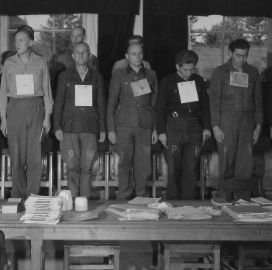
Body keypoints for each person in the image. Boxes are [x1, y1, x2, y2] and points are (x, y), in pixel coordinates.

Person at [0, 25, 53, 199]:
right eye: (15, 40)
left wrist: (48, 117)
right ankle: (17, 194)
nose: (17, 43)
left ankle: (32, 195)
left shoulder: (40, 61)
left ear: (31, 42)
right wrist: (3, 119)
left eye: (21, 40)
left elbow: (47, 90)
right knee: (16, 155)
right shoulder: (9, 63)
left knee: (35, 156)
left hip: (36, 108)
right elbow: (2, 93)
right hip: (15, 108)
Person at [209, 38, 263, 199]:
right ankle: (225, 198)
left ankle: (242, 200)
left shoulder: (253, 72)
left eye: (245, 56)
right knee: (226, 160)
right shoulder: (220, 72)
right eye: (238, 55)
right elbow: (214, 100)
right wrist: (215, 126)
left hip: (247, 122)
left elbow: (258, 100)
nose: (242, 59)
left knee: (245, 162)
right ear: (230, 53)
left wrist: (258, 125)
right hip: (226, 121)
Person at [155, 50, 211, 199]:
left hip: (194, 128)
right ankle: (173, 202)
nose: (189, 73)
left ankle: (188, 203)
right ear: (177, 67)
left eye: (192, 69)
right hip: (173, 127)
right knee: (173, 169)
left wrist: (206, 127)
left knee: (190, 169)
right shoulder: (167, 81)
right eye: (185, 70)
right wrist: (161, 131)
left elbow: (205, 106)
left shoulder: (199, 81)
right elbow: (160, 108)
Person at [53, 42, 106, 197]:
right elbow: (59, 102)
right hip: (69, 127)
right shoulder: (64, 76)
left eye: (84, 52)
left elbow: (101, 104)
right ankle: (74, 199)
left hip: (90, 126)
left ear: (89, 55)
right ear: (73, 56)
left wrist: (102, 128)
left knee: (87, 166)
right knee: (71, 166)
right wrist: (57, 126)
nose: (81, 55)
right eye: (78, 52)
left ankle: (84, 200)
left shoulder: (97, 77)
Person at [107, 42, 158, 199]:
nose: (137, 56)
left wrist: (155, 128)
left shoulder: (151, 75)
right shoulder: (119, 75)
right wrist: (111, 129)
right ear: (127, 57)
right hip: (124, 125)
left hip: (145, 125)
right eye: (134, 53)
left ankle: (141, 195)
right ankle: (123, 195)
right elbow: (111, 104)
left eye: (140, 53)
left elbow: (155, 103)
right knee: (124, 163)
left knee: (143, 164)